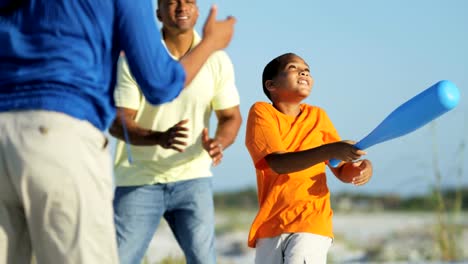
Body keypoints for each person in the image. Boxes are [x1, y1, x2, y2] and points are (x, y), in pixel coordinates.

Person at [0, 0, 236, 263]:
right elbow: (160, 83)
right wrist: (212, 42)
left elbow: (230, 117)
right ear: (159, 11)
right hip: (60, 138)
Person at [109, 0, 242, 263]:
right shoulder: (134, 58)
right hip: (139, 179)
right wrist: (159, 138)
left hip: (193, 178)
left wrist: (219, 143)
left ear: (197, 10)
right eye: (172, 2)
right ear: (158, 13)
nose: (182, 7)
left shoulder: (217, 59)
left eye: (189, 1)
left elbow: (230, 117)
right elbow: (118, 122)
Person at [245, 53, 373, 264]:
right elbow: (278, 163)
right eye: (293, 68)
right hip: (271, 224)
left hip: (311, 221)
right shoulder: (262, 112)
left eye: (307, 69)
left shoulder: (318, 117)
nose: (304, 72)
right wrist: (329, 150)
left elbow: (341, 169)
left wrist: (361, 168)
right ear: (271, 84)